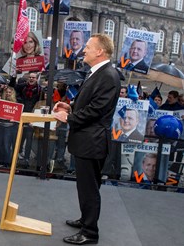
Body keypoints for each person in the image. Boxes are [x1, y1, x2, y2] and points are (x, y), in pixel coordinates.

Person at [53, 33, 120, 245]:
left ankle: (90, 232)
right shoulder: (97, 73)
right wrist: (70, 106)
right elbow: (89, 103)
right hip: (87, 140)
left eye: (88, 47)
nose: (84, 50)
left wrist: (69, 117)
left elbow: (97, 110)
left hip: (92, 141)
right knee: (86, 186)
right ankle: (85, 220)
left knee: (89, 188)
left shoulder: (108, 75)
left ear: (100, 51)